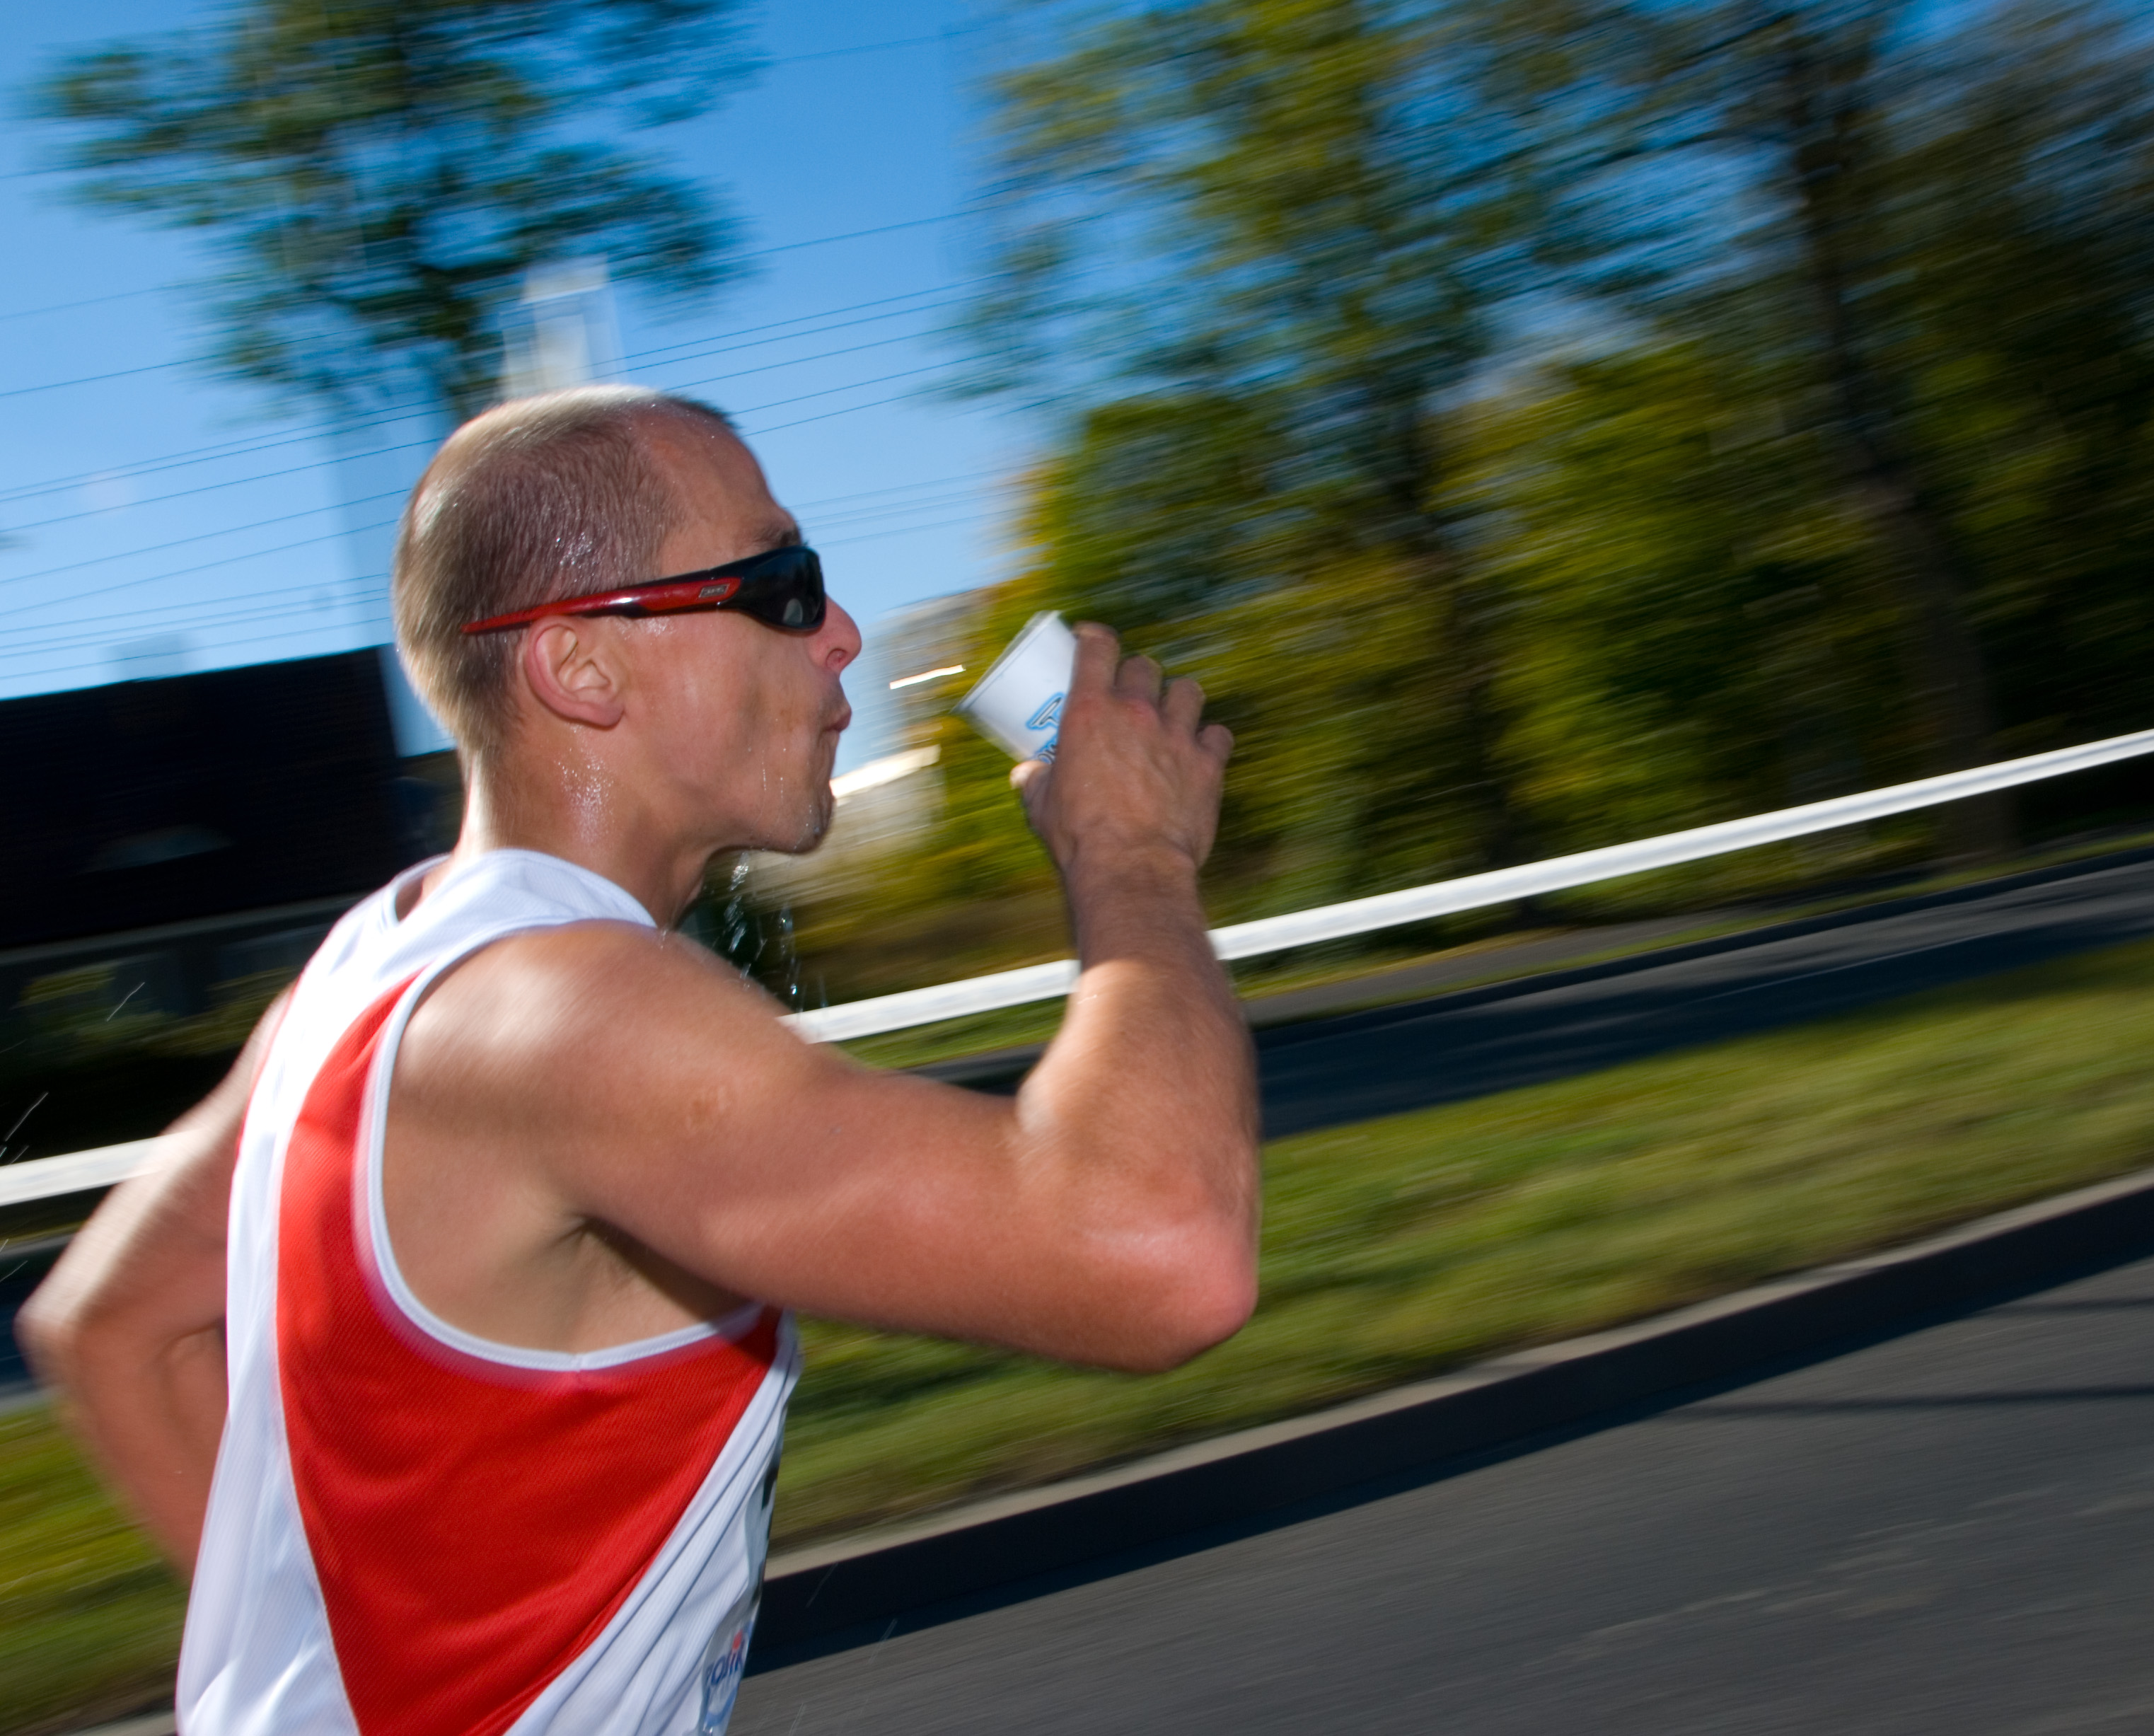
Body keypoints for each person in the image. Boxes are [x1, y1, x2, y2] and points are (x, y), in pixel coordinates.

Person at [18, 386, 1260, 1735]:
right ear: (581, 666)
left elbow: (108, 1323)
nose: (839, 632)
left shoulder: (378, 959)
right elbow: (1158, 1248)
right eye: (785, 585)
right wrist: (1129, 856)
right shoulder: (579, 1018)